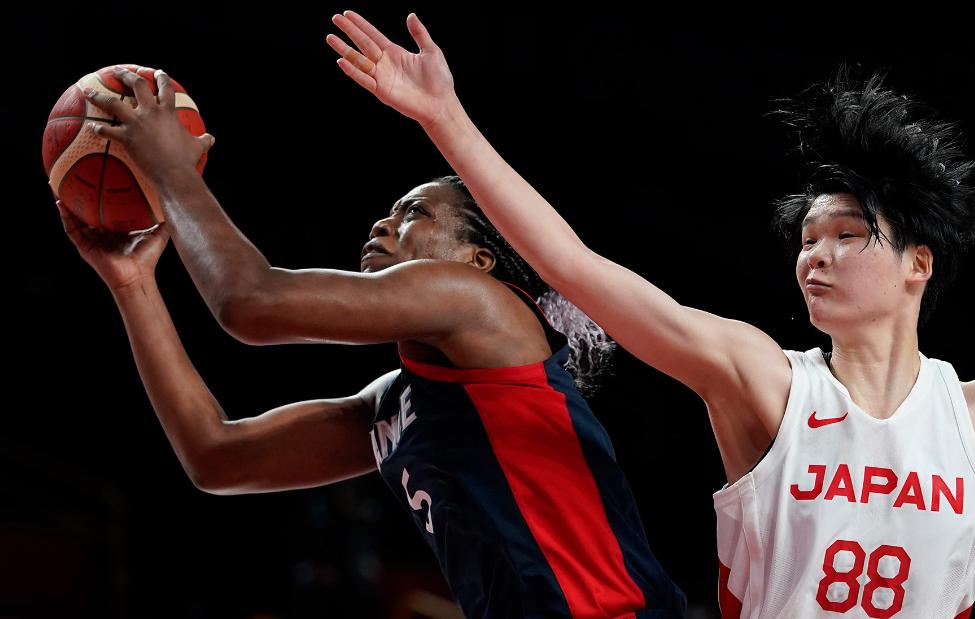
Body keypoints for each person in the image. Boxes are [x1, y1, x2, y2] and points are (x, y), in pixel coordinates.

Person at [323, 10, 975, 619]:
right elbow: (574, 267)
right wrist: (444, 119)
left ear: (917, 265)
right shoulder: (761, 377)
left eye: (846, 236)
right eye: (806, 240)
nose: (814, 256)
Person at [63, 65, 687, 618]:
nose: (384, 222)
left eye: (415, 213)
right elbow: (218, 457)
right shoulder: (397, 401)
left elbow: (252, 303)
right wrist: (133, 284)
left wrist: (171, 170)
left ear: (479, 259)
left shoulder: (477, 301)